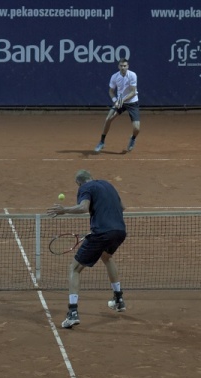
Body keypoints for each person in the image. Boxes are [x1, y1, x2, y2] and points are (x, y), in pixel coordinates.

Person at [46, 169, 127, 329]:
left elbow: (83, 208)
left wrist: (64, 211)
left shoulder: (85, 188)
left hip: (103, 233)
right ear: (91, 177)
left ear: (79, 183)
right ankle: (118, 299)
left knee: (74, 269)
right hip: (120, 231)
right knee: (106, 257)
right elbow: (122, 207)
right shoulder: (107, 185)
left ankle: (72, 312)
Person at [94, 59, 140, 154]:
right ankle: (102, 141)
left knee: (137, 128)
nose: (123, 67)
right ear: (118, 66)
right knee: (108, 119)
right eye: (121, 66)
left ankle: (133, 138)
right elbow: (111, 91)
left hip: (132, 102)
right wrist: (115, 101)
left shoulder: (132, 75)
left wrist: (122, 100)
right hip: (119, 102)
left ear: (127, 66)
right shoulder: (114, 77)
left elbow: (133, 92)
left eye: (124, 66)